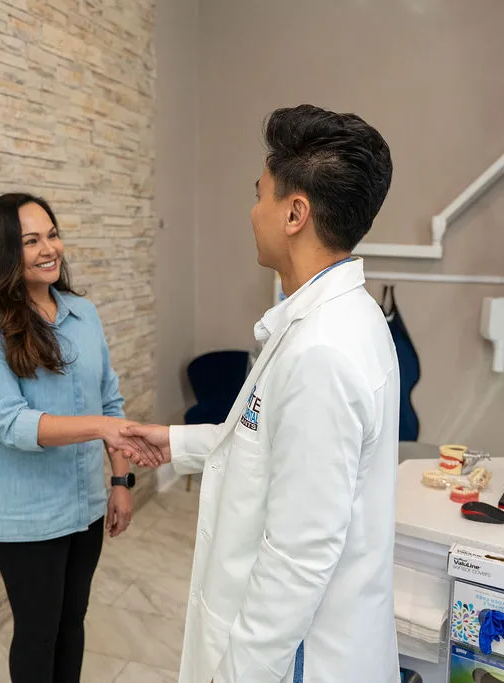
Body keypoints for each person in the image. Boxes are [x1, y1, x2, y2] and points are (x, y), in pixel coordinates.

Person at [117, 104, 400, 683]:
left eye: (260, 194)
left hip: (299, 657)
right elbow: (264, 435)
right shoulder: (330, 318)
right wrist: (174, 442)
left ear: (295, 212)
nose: (252, 212)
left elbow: (299, 556)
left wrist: (238, 674)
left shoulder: (322, 351)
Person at [0, 193, 154, 683]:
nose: (49, 248)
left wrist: (121, 481)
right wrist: (101, 427)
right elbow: (10, 423)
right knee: (38, 631)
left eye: (52, 234)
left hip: (85, 505)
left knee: (72, 622)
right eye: (31, 240)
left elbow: (110, 402)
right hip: (25, 516)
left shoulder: (83, 313)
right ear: (3, 251)